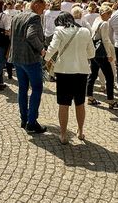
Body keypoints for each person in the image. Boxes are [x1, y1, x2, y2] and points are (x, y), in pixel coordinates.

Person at [45, 12, 94, 144]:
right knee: (80, 103)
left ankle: (63, 134)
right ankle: (81, 130)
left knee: (63, 104)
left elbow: (52, 48)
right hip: (81, 71)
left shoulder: (59, 30)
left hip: (64, 71)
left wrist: (46, 59)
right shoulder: (85, 31)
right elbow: (91, 53)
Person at [10, 0, 47, 134]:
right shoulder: (34, 18)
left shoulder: (17, 16)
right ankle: (31, 122)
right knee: (37, 88)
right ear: (36, 5)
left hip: (17, 58)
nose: (43, 12)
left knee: (22, 89)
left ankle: (23, 119)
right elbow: (31, 35)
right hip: (30, 59)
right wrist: (41, 49)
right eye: (42, 8)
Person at [86, 4, 118, 109]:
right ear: (105, 13)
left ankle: (90, 97)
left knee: (93, 75)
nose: (110, 16)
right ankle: (110, 100)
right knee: (110, 76)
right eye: (109, 14)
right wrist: (109, 54)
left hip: (94, 52)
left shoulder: (96, 21)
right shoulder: (104, 23)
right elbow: (105, 40)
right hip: (101, 54)